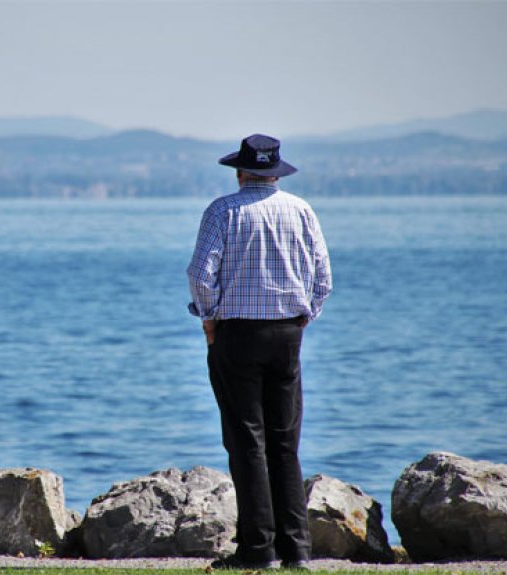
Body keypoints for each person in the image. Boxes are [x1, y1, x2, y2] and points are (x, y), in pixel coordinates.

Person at [187, 134, 332, 570]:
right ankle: (297, 551)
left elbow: (200, 274)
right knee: (285, 444)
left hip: (237, 335)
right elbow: (323, 278)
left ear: (240, 171)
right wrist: (303, 318)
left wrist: (209, 318)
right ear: (276, 173)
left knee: (246, 442)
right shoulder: (301, 210)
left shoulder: (221, 211)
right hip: (288, 334)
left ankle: (258, 551)